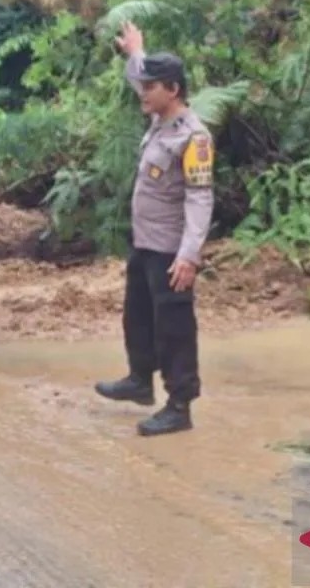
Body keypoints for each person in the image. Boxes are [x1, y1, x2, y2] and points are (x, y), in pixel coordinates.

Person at [94, 21, 215, 436]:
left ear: (173, 90)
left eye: (151, 87)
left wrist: (189, 255)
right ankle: (140, 381)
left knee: (174, 329)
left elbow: (200, 198)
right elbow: (139, 79)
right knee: (138, 318)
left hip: (170, 250)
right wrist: (135, 52)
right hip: (144, 243)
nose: (142, 92)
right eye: (143, 85)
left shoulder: (193, 138)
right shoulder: (159, 121)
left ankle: (179, 405)